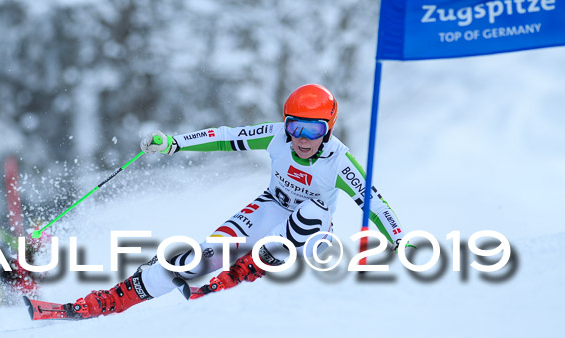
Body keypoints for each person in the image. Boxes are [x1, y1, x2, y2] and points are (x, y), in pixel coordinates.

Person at [70, 84, 405, 318]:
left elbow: (375, 203)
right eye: (295, 128)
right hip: (271, 205)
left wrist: (400, 238)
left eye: (313, 130)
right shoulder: (276, 136)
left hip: (311, 234)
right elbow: (227, 137)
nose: (302, 139)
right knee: (199, 256)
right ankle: (108, 300)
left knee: (311, 210)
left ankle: (236, 275)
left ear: (328, 130)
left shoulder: (339, 162)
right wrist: (174, 143)